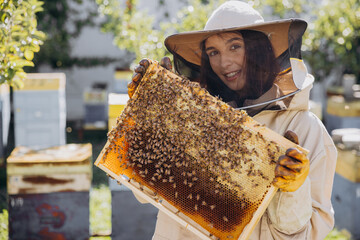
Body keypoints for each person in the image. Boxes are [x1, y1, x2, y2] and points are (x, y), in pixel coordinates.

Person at [128, 1, 337, 239]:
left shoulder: (305, 129)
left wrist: (293, 190)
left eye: (235, 46)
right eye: (213, 53)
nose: (224, 63)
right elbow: (144, 190)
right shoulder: (194, 117)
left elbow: (304, 234)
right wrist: (151, 115)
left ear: (259, 49)